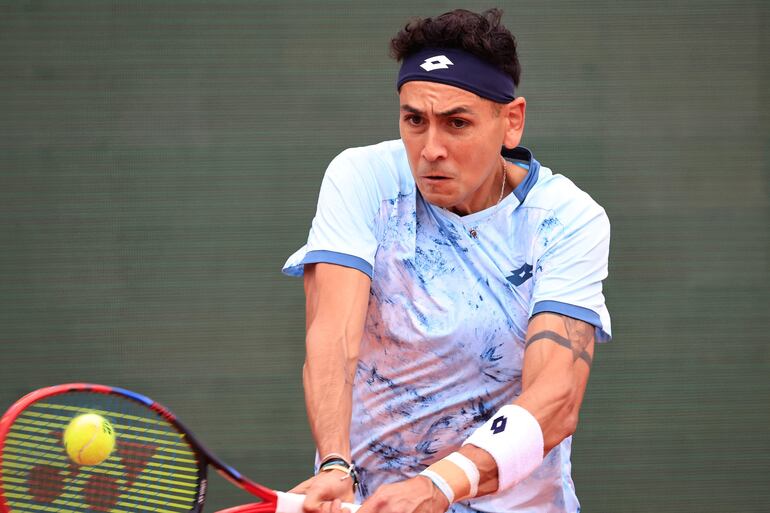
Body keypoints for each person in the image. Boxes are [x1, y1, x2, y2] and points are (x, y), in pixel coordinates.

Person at [282, 8, 611, 513]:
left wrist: (439, 485)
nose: (430, 149)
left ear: (511, 121)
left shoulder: (566, 219)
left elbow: (556, 398)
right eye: (415, 120)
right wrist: (333, 462)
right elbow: (333, 336)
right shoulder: (362, 178)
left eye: (457, 123)